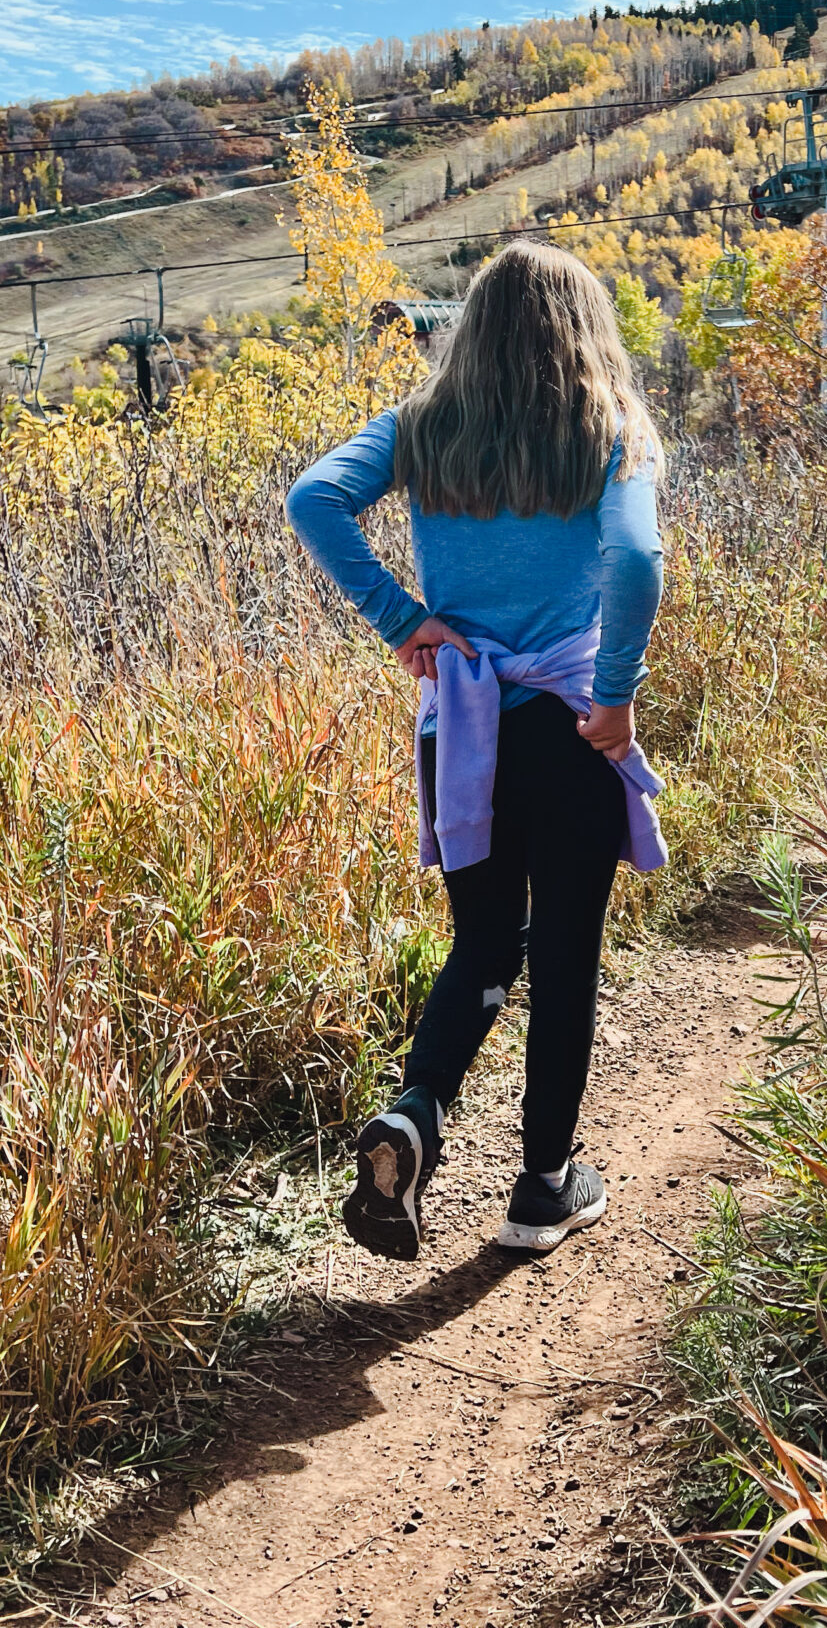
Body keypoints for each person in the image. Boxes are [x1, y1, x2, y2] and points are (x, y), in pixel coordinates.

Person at [286, 241, 666, 1260]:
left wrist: (400, 618)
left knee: (488, 940)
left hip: (461, 724)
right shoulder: (609, 431)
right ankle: (543, 1189)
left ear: (476, 330)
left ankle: (415, 1111)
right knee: (568, 953)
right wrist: (618, 696)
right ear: (585, 328)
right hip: (572, 726)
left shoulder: (421, 427)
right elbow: (634, 560)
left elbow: (310, 498)